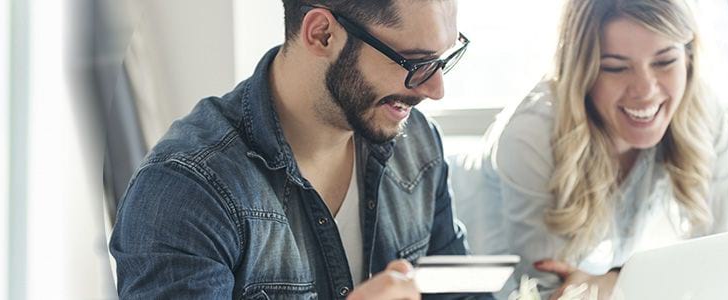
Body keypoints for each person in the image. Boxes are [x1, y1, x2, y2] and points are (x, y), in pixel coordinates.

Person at [109, 0, 485, 299]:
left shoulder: (417, 143)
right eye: (415, 63)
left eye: (441, 60)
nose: (435, 90)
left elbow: (457, 295)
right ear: (321, 34)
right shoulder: (188, 191)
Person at [449, 0, 728, 298]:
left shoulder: (699, 111)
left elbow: (727, 260)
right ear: (581, 71)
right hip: (449, 270)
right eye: (615, 67)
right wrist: (616, 282)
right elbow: (553, 291)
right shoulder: (532, 134)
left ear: (689, 58)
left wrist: (614, 281)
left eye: (665, 62)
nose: (645, 90)